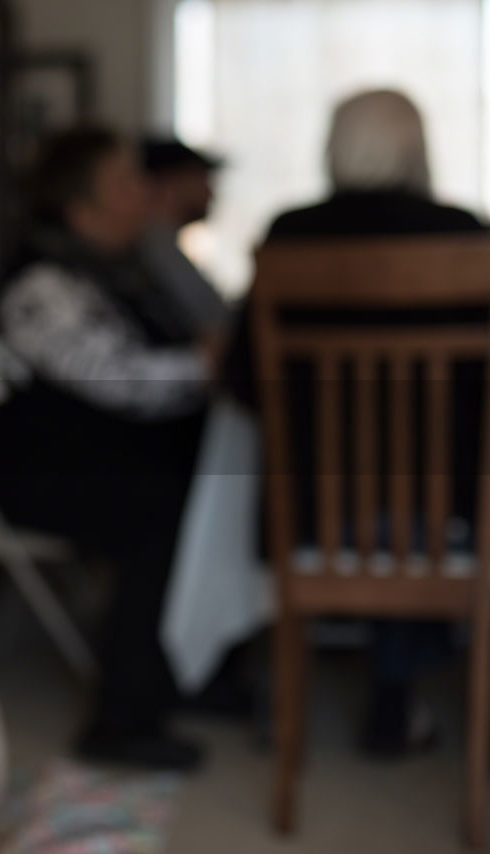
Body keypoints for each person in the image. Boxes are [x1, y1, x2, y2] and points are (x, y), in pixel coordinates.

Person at [226, 88, 487, 758]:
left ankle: (280, 692)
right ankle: (395, 698)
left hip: (312, 509)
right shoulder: (467, 236)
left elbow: (241, 383)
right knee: (413, 493)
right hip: (448, 515)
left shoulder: (288, 235)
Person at [0, 127, 217, 770]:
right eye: (129, 183)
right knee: (165, 504)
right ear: (83, 211)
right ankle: (121, 718)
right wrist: (205, 368)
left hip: (90, 454)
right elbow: (124, 381)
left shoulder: (119, 268)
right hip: (33, 473)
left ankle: (197, 672)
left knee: (209, 481)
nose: (147, 194)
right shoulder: (44, 285)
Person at [137, 136, 230, 338]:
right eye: (202, 178)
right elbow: (213, 322)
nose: (211, 193)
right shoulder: (153, 248)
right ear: (170, 183)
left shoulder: (159, 244)